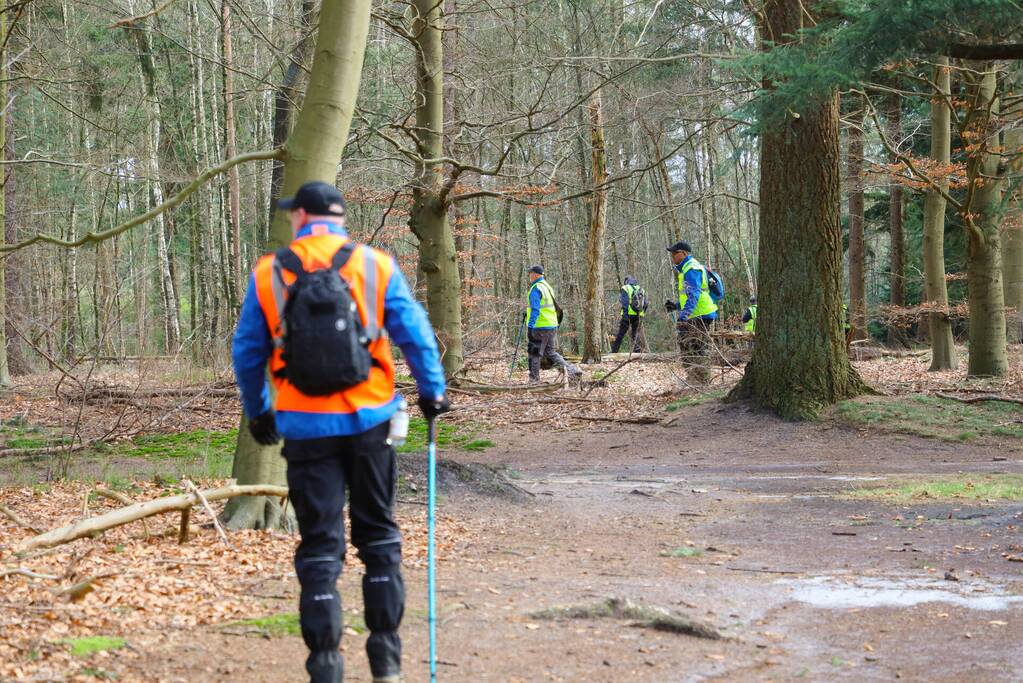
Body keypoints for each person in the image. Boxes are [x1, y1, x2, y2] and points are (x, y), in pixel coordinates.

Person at [232, 180, 450, 683]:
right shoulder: (375, 265)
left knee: (320, 544)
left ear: (303, 217)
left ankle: (326, 667)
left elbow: (247, 352)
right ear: (339, 218)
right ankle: (386, 662)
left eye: (292, 214)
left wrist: (260, 410)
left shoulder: (269, 273)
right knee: (377, 535)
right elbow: (414, 332)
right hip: (371, 420)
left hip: (304, 428)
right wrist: (431, 392)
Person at [663, 241, 718, 383]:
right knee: (690, 346)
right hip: (697, 313)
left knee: (695, 347)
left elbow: (694, 295)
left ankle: (700, 381)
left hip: (699, 314)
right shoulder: (687, 268)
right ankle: (695, 379)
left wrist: (684, 316)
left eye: (675, 253)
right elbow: (690, 296)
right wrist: (675, 306)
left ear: (684, 253)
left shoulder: (691, 268)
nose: (673, 256)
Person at [525, 265, 581, 383]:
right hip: (552, 325)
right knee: (551, 352)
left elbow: (536, 309)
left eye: (530, 273)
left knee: (535, 354)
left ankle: (534, 381)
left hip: (539, 326)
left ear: (535, 274)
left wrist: (530, 325)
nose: (529, 276)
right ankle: (572, 370)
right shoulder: (547, 287)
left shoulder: (536, 288)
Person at [611, 276, 646, 353]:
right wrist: (642, 314)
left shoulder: (625, 288)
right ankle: (637, 350)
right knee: (635, 333)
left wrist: (625, 315)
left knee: (621, 333)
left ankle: (614, 351)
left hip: (628, 315)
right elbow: (645, 304)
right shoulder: (641, 289)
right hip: (638, 315)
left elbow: (625, 303)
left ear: (626, 281)